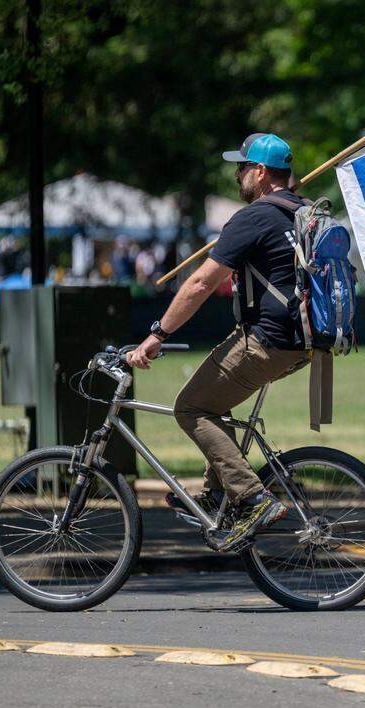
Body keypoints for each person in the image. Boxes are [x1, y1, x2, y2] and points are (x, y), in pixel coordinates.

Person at [126, 133, 309, 551]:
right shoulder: (299, 210)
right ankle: (214, 495)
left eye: (243, 167)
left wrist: (158, 334)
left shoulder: (256, 216)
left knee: (190, 407)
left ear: (261, 173)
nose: (237, 174)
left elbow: (200, 284)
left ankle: (251, 497)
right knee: (214, 401)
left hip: (267, 340)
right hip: (299, 341)